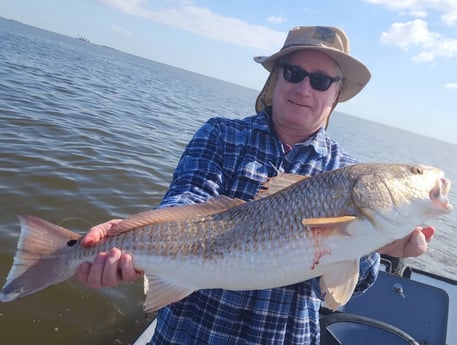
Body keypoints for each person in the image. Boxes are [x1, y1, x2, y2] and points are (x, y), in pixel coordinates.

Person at [76, 26, 435, 344]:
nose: (304, 88)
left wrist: (380, 247)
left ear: (336, 93)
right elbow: (186, 201)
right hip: (188, 334)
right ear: (275, 78)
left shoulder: (344, 171)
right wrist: (125, 237)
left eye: (321, 80)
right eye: (293, 73)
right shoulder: (220, 134)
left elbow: (344, 291)